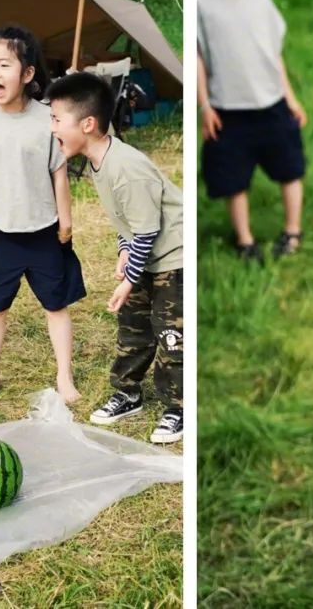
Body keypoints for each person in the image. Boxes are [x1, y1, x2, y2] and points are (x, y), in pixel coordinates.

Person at [49, 72, 184, 443]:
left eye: (57, 120)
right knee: (133, 328)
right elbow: (129, 224)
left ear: (88, 124)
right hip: (147, 253)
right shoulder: (98, 161)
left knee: (171, 334)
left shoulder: (126, 167)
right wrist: (124, 254)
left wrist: (127, 278)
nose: (52, 128)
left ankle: (179, 407)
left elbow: (147, 230)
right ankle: (128, 393)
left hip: (176, 258)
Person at [0, 25, 85, 411]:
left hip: (45, 230)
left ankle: (64, 375)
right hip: (0, 233)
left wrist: (65, 222)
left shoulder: (48, 119)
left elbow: (58, 173)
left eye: (4, 64)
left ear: (28, 74)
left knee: (56, 305)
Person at [198, 0, 307, 262]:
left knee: (290, 169)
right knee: (233, 179)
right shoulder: (201, 0)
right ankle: (245, 241)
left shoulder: (260, 0)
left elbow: (272, 54)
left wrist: (290, 98)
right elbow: (198, 57)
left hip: (271, 105)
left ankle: (292, 231)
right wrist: (205, 105)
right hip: (229, 111)